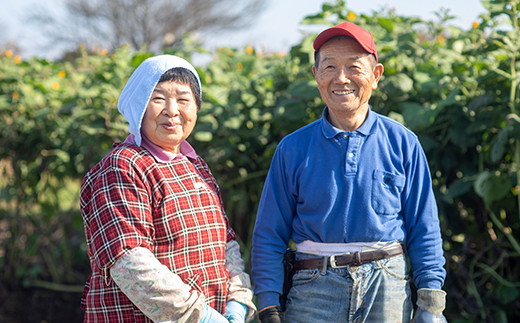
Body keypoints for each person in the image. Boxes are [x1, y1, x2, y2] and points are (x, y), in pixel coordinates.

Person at [251, 22, 447, 323]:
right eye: (329, 67)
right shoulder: (292, 149)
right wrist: (268, 303)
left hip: (387, 286)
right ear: (316, 75)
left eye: (354, 67)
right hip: (312, 288)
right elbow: (269, 234)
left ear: (376, 75)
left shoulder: (403, 143)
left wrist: (431, 302)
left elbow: (425, 228)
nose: (341, 79)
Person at [80, 54, 256, 322]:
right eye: (158, 98)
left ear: (196, 108)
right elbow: (130, 262)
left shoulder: (196, 166)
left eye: (183, 100)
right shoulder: (123, 166)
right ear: (139, 105)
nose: (172, 110)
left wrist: (238, 298)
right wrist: (201, 316)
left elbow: (225, 240)